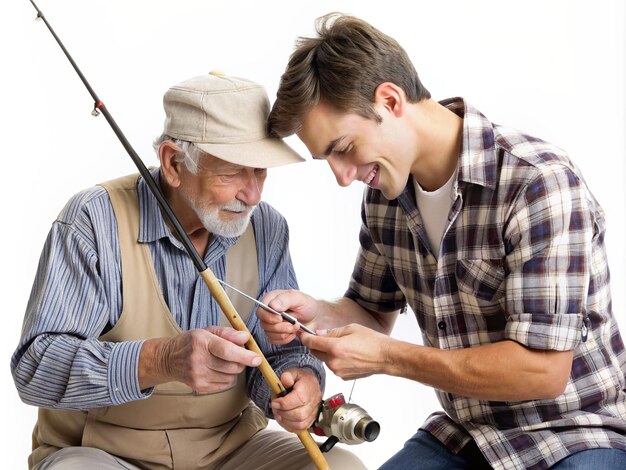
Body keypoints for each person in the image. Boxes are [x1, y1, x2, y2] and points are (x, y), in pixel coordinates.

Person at [258, 13, 626, 470]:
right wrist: (319, 314)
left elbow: (544, 370)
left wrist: (389, 359)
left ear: (390, 100)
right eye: (327, 160)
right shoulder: (385, 198)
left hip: (574, 434)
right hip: (465, 437)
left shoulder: (537, 183)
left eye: (343, 147)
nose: (342, 177)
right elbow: (373, 312)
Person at [11, 71, 365, 470]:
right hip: (106, 452)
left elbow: (282, 350)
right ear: (173, 163)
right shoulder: (93, 221)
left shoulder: (266, 227)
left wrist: (300, 381)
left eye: (261, 171)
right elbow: (36, 368)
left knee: (345, 466)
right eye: (233, 171)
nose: (252, 194)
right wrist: (161, 360)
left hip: (231, 449)